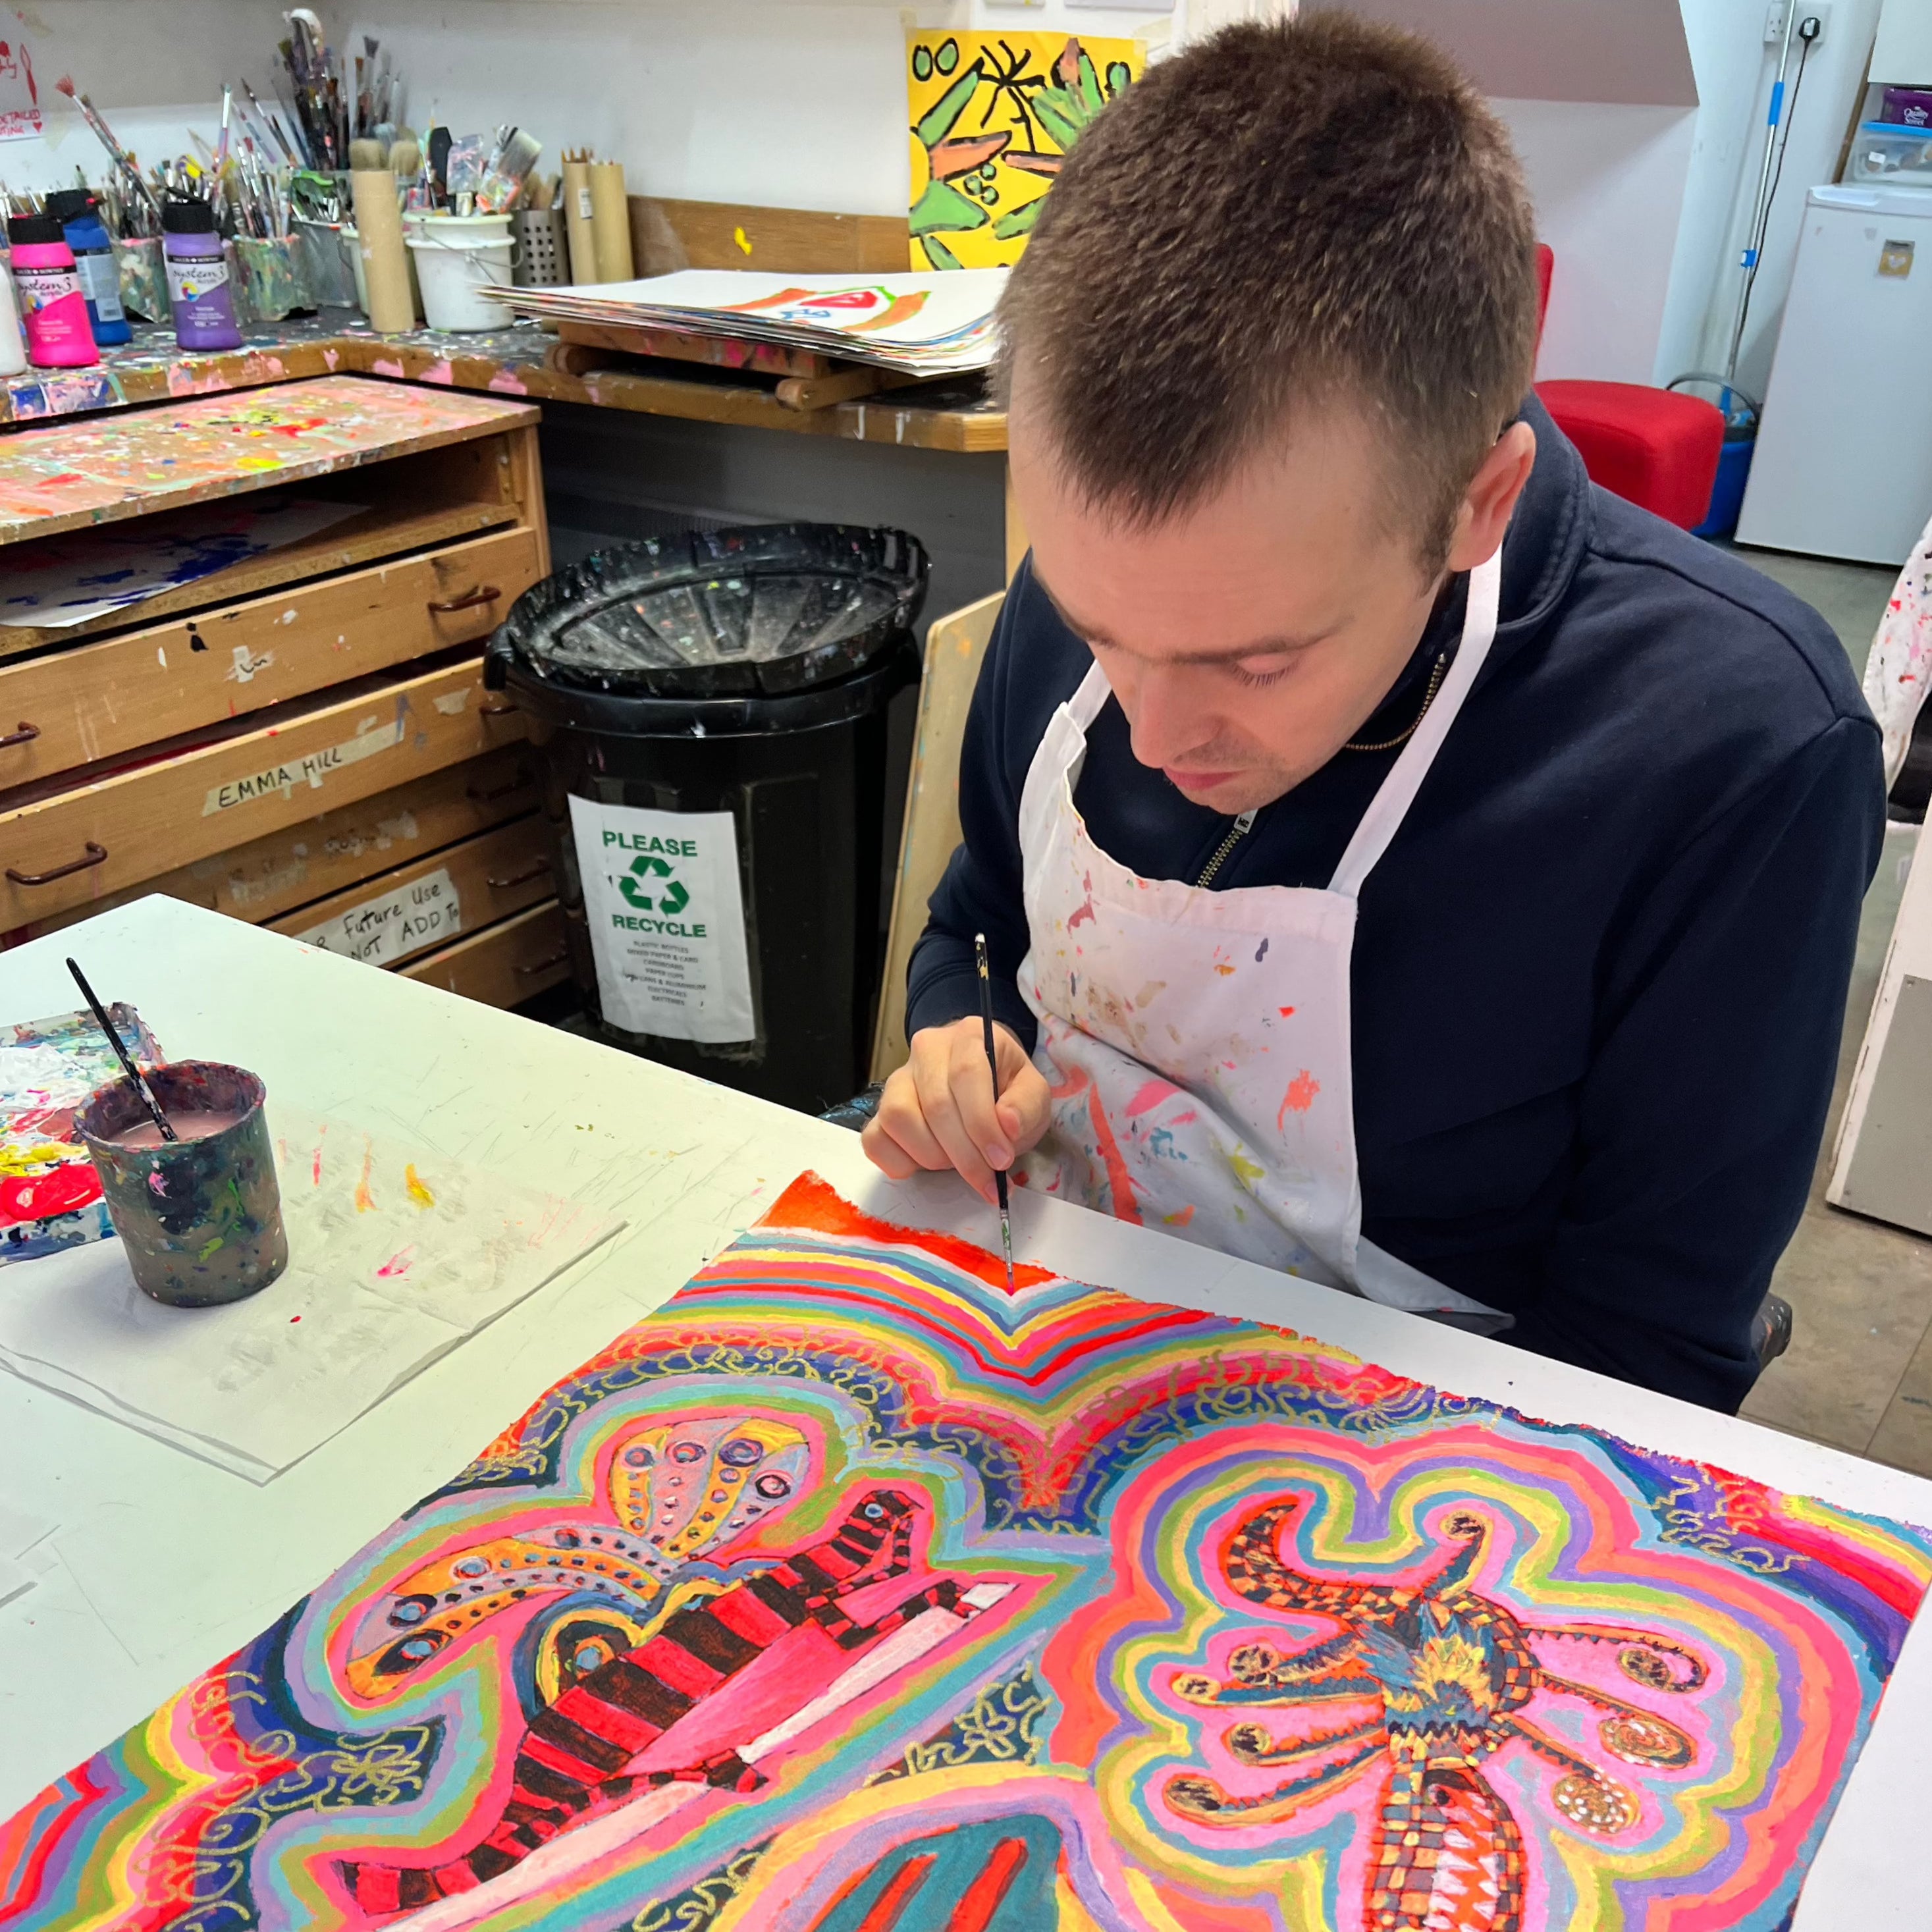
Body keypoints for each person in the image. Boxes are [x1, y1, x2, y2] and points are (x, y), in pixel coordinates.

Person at [861, 14, 1885, 1412]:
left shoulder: (1737, 749)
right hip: (1044, 1305)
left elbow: (1650, 1353)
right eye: (1108, 632)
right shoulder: (1124, 584)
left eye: (1259, 662)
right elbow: (979, 920)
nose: (1156, 737)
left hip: (1419, 1438)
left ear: (1478, 506)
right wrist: (957, 1033)